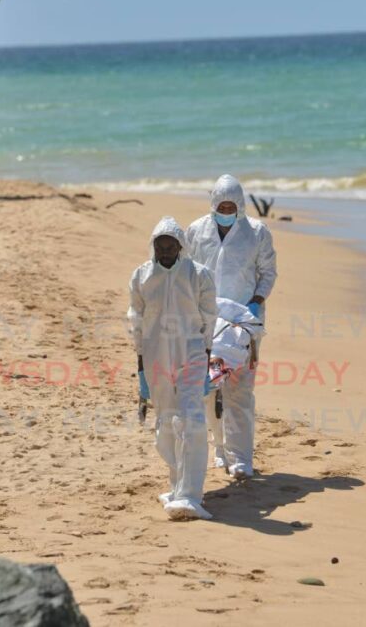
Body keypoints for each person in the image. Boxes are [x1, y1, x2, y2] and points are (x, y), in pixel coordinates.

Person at [186, 174, 277, 480]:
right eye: (221, 204)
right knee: (210, 387)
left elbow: (268, 272)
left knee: (240, 390)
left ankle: (241, 460)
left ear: (240, 204)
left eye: (231, 205)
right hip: (207, 321)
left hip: (243, 323)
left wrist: (256, 300)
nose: (226, 209)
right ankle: (220, 448)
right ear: (213, 204)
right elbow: (188, 273)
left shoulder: (257, 232)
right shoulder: (196, 231)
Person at [128, 217, 218, 521]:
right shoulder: (141, 276)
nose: (165, 250)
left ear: (181, 246)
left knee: (191, 419)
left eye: (171, 244)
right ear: (153, 245)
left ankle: (191, 496)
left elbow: (209, 316)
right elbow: (136, 321)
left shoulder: (198, 275)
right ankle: (176, 486)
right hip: (155, 356)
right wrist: (141, 366)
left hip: (192, 351)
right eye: (160, 244)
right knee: (166, 422)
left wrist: (205, 357)